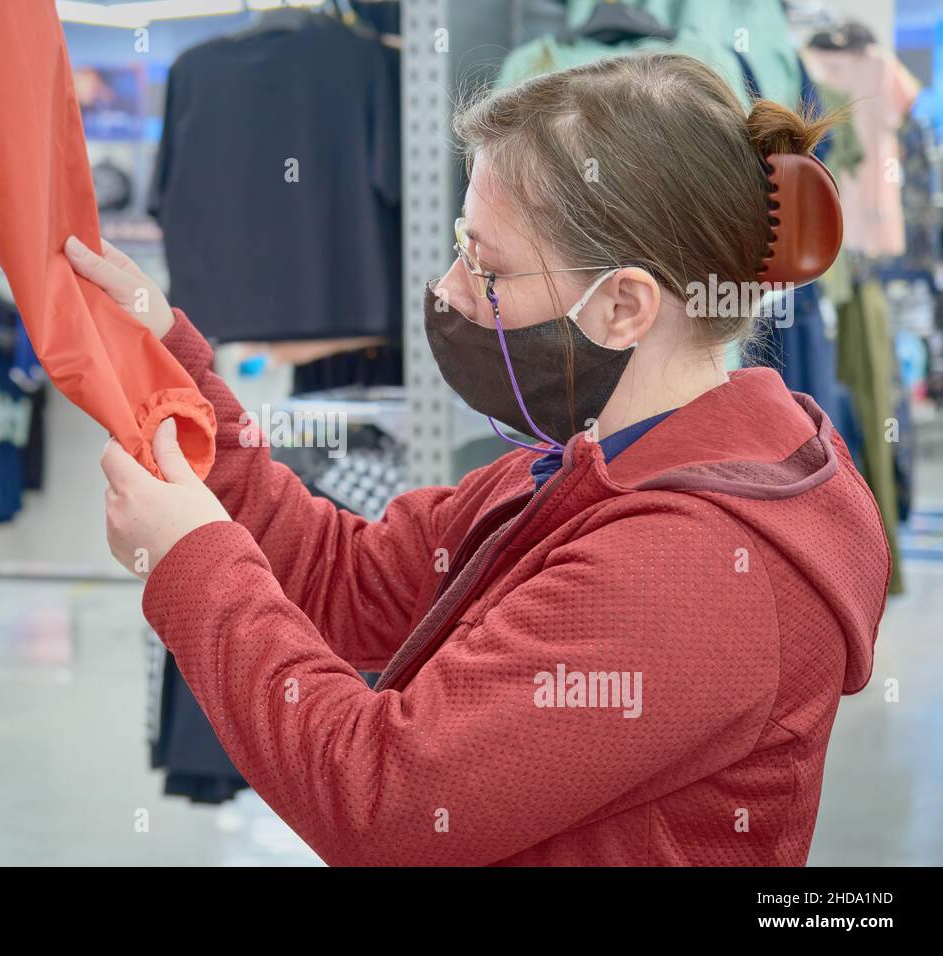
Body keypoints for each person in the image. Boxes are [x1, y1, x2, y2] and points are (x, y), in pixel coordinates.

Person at [66, 52, 890, 866]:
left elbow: (384, 801)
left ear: (624, 305)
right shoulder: (591, 465)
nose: (452, 290)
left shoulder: (692, 570)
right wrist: (171, 362)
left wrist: (194, 565)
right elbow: (345, 579)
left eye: (489, 269)